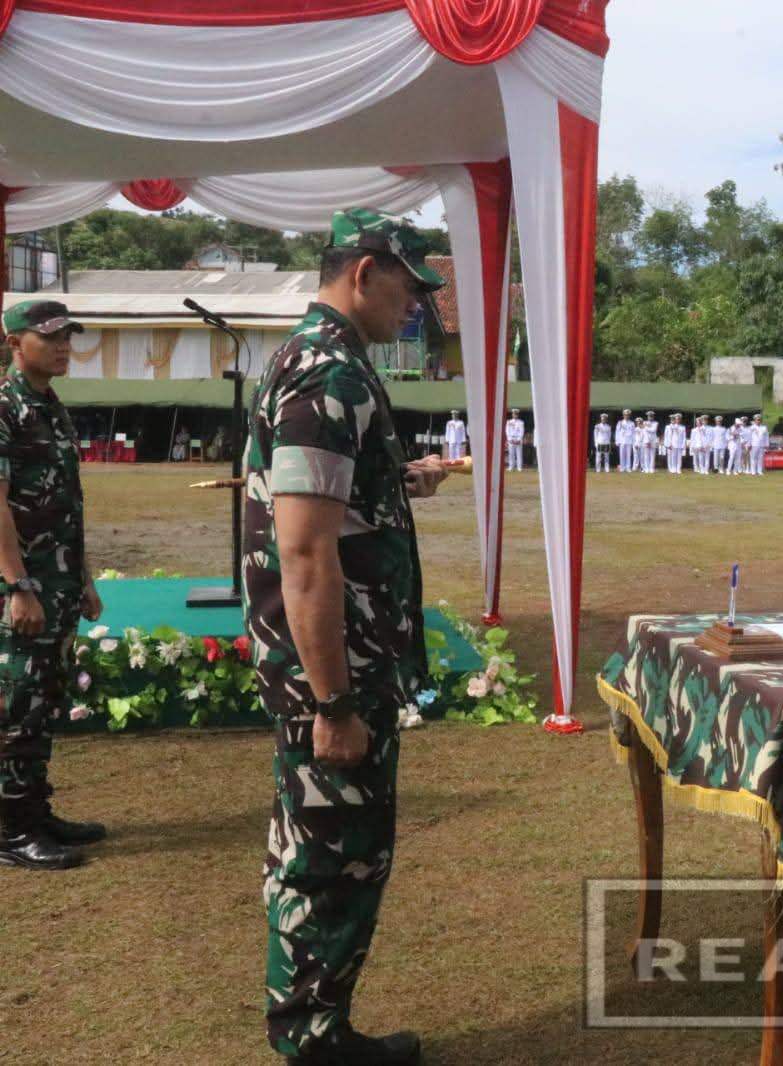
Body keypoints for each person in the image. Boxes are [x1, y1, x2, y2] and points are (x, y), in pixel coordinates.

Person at [244, 208, 450, 1066]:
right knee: (333, 860)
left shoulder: (319, 361)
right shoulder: (327, 374)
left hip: (338, 663)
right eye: (409, 286)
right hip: (334, 673)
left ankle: (312, 1027)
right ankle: (314, 1038)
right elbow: (303, 551)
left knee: (322, 850)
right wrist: (332, 703)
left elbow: (328, 504)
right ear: (365, 272)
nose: (417, 305)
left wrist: (401, 480)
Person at [0, 300, 107, 872]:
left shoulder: (50, 406)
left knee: (42, 699)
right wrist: (17, 585)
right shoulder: (5, 406)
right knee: (17, 703)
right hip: (23, 586)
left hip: (57, 579)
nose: (64, 346)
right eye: (51, 336)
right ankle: (12, 829)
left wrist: (82, 576)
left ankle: (34, 812)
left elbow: (66, 503)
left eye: (69, 335)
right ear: (15, 342)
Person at [615, 408, 635, 472]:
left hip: (629, 440)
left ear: (629, 415)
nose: (626, 416)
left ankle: (628, 467)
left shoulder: (632, 423)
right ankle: (622, 467)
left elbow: (633, 433)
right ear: (623, 415)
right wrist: (617, 441)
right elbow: (617, 432)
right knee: (622, 455)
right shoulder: (620, 423)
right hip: (622, 440)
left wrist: (633, 441)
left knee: (628, 455)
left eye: (628, 415)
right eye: (625, 415)